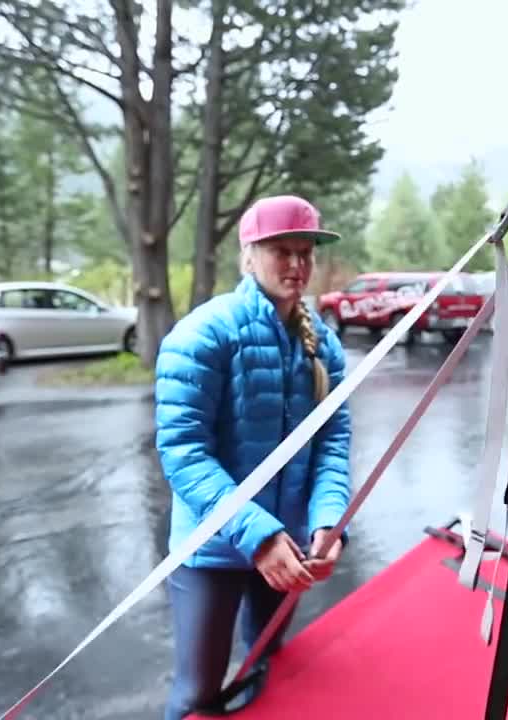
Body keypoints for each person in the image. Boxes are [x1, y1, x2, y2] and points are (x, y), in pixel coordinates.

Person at [153, 194, 353, 719]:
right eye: (280, 251)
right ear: (248, 255)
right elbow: (183, 453)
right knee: (198, 695)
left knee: (269, 670)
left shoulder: (324, 348)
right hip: (212, 550)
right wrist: (256, 535)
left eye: (305, 252)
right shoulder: (203, 335)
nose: (296, 265)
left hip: (287, 550)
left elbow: (332, 445)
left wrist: (328, 522)